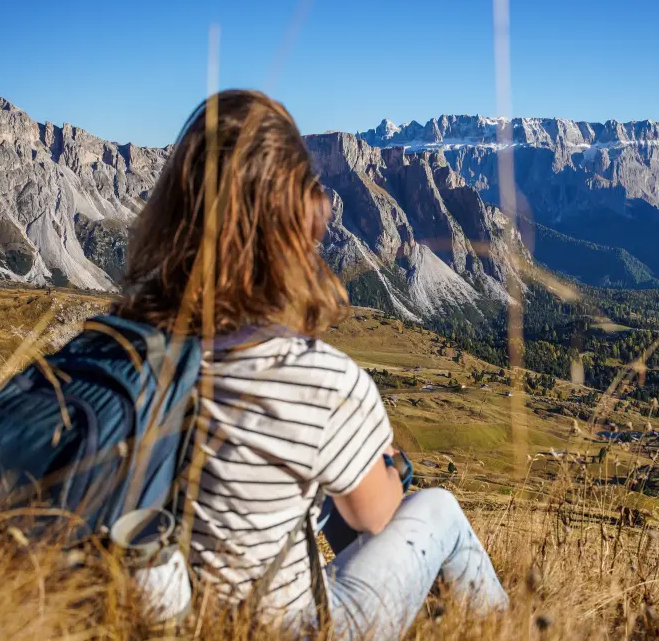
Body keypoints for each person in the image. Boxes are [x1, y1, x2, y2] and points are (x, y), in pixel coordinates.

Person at [113, 89, 508, 638]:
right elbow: (375, 517)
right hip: (286, 629)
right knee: (436, 508)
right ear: (298, 222)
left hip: (172, 617)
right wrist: (387, 466)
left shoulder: (127, 347)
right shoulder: (318, 377)